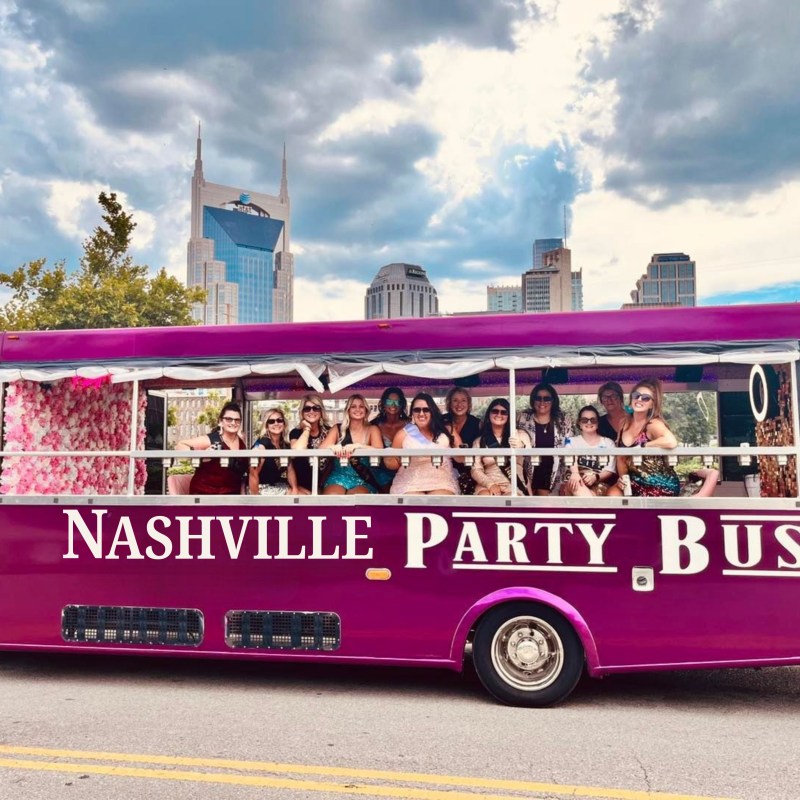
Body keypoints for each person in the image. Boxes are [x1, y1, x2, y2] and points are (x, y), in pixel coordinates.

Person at [610, 379, 681, 497]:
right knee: (612, 493)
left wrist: (643, 446)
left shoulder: (653, 423)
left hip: (659, 483)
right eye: (636, 395)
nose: (639, 400)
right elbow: (620, 457)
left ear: (652, 404)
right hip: (635, 481)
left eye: (645, 398)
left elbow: (671, 441)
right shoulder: (624, 422)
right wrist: (623, 478)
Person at [384, 392, 460, 496]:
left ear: (432, 411)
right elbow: (393, 464)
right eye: (417, 410)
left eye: (426, 409)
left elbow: (461, 457)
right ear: (412, 413)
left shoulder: (447, 429)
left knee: (439, 501)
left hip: (441, 481)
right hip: (410, 482)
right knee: (414, 502)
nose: (421, 413)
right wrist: (388, 458)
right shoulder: (403, 434)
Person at [177, 401, 247, 495]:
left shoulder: (241, 443)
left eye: (237, 420)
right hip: (205, 495)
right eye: (229, 419)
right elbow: (180, 445)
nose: (233, 422)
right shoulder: (211, 439)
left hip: (231, 496)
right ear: (220, 421)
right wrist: (200, 456)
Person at [320, 394, 384, 495]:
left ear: (366, 410)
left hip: (362, 479)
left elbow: (380, 450)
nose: (358, 409)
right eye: (353, 406)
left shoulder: (372, 429)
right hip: (338, 476)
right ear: (348, 410)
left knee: (358, 499)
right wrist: (333, 447)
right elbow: (321, 449)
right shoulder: (337, 429)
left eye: (361, 406)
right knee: (333, 498)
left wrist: (359, 446)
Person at [517, 382, 573, 496]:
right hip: (528, 470)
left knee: (547, 507)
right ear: (533, 400)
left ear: (553, 400)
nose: (542, 402)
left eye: (546, 398)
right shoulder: (523, 417)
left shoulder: (563, 419)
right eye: (538, 398)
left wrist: (568, 476)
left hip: (554, 470)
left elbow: (570, 445)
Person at [471, 398, 531, 496]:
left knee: (511, 501)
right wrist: (490, 484)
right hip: (488, 484)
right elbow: (475, 469)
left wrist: (521, 447)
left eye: (504, 412)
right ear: (489, 414)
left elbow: (530, 456)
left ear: (509, 416)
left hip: (513, 483)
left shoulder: (520, 435)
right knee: (485, 498)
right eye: (495, 411)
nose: (499, 415)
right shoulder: (479, 441)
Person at [563, 405, 617, 497]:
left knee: (589, 495)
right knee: (576, 484)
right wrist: (575, 474)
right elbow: (570, 459)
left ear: (598, 423)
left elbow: (609, 470)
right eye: (584, 420)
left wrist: (595, 477)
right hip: (575, 481)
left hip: (599, 485)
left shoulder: (608, 443)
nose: (589, 422)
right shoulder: (571, 441)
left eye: (593, 420)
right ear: (579, 423)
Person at [248, 408, 303, 496]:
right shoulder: (262, 444)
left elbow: (290, 470)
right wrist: (255, 501)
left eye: (279, 420)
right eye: (271, 421)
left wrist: (295, 488)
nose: (276, 423)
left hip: (277, 485)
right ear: (266, 426)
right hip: (261, 487)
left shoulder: (284, 445)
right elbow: (253, 474)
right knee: (303, 497)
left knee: (309, 494)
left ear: (284, 424)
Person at [442, 387, 482, 495]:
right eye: (455, 400)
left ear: (469, 404)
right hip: (443, 469)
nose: (459, 404)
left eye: (463, 400)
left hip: (469, 471)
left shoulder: (477, 424)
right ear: (449, 403)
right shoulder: (441, 421)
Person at [289, 393, 331, 493]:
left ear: (321, 411)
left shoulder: (329, 432)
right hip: (301, 486)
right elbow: (297, 451)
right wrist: (307, 429)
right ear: (302, 413)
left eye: (315, 408)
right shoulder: (296, 432)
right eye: (307, 409)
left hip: (326, 484)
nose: (311, 411)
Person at [369, 387, 409, 491]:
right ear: (383, 403)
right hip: (379, 471)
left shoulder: (410, 425)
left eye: (397, 402)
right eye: (389, 401)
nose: (393, 405)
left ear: (402, 404)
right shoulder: (374, 425)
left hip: (405, 468)